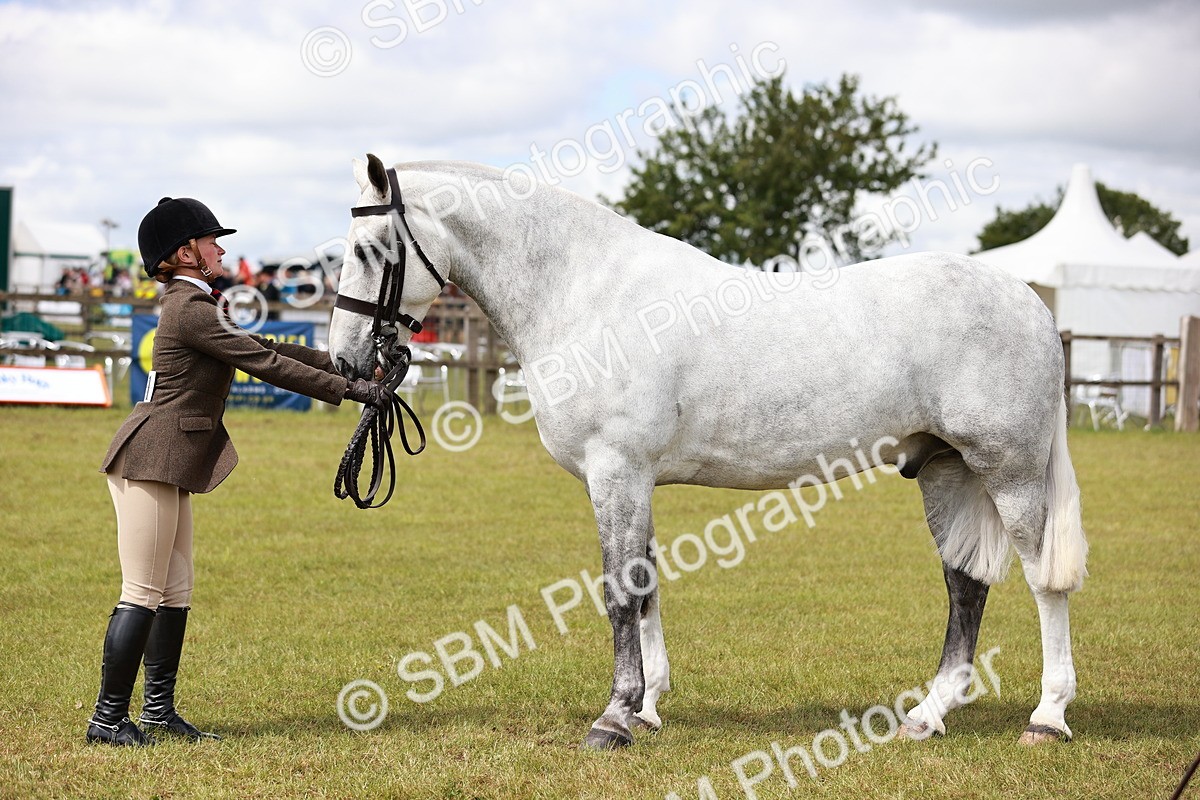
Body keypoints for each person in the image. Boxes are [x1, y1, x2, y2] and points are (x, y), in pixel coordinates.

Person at [87, 196, 387, 747]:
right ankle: (106, 721)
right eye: (210, 241)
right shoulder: (191, 309)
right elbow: (265, 365)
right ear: (184, 254)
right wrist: (353, 390)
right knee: (144, 590)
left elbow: (266, 345)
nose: (221, 248)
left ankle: (157, 713)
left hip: (170, 459)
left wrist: (347, 365)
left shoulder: (202, 303)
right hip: (149, 458)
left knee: (175, 590)